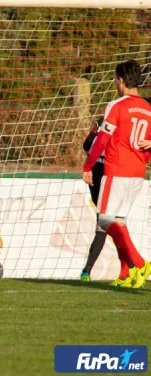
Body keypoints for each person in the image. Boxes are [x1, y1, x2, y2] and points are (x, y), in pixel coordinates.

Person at [83, 59, 151, 288]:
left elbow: (102, 139)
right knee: (118, 222)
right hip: (137, 172)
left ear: (120, 81)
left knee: (104, 219)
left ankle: (140, 263)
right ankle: (125, 274)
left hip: (117, 169)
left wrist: (87, 166)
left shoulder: (117, 105)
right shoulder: (147, 108)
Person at [79, 115, 110, 282]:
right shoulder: (121, 121)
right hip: (109, 173)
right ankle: (133, 265)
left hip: (94, 172)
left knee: (105, 221)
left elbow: (86, 145)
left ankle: (87, 270)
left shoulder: (101, 119)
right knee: (109, 222)